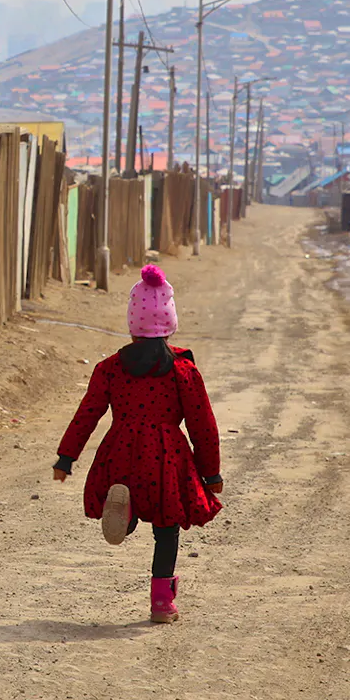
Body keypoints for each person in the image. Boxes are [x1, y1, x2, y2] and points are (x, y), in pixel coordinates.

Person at [52, 264, 223, 623]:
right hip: (166, 457)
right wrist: (210, 474)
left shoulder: (110, 368)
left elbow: (89, 414)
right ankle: (162, 602)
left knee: (128, 496)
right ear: (169, 321)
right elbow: (202, 424)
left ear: (133, 322)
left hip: (122, 452)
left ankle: (124, 518)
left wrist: (66, 458)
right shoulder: (182, 370)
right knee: (166, 527)